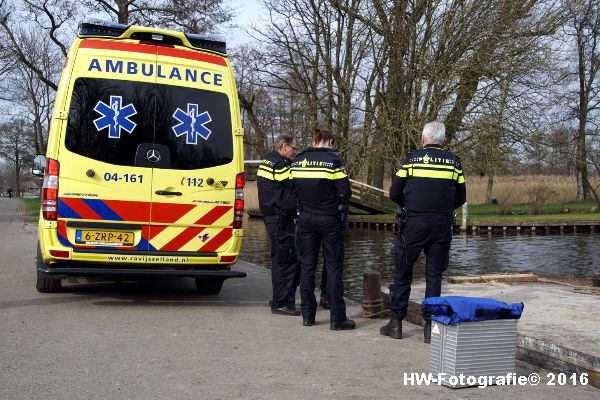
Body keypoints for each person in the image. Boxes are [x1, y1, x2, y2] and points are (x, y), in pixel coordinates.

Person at [380, 121, 466, 343]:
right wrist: (444, 208)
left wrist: (408, 206)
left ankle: (396, 323)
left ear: (423, 139)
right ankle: (431, 329)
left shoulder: (411, 160)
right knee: (434, 276)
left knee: (403, 273)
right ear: (444, 140)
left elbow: (394, 192)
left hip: (413, 224)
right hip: (441, 225)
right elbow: (461, 197)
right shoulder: (454, 163)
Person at [291, 128, 356, 330]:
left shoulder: (297, 161)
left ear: (313, 140)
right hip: (330, 220)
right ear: (329, 141)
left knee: (307, 266)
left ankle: (307, 315)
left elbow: (293, 190)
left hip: (306, 219)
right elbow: (345, 193)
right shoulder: (333, 161)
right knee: (334, 266)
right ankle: (337, 318)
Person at [257, 134, 300, 316]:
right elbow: (295, 187)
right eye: (293, 148)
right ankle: (282, 303)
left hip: (271, 217)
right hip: (281, 219)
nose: (294, 152)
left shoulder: (267, 161)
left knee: (277, 260)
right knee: (287, 260)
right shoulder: (280, 165)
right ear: (284, 146)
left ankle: (278, 297)